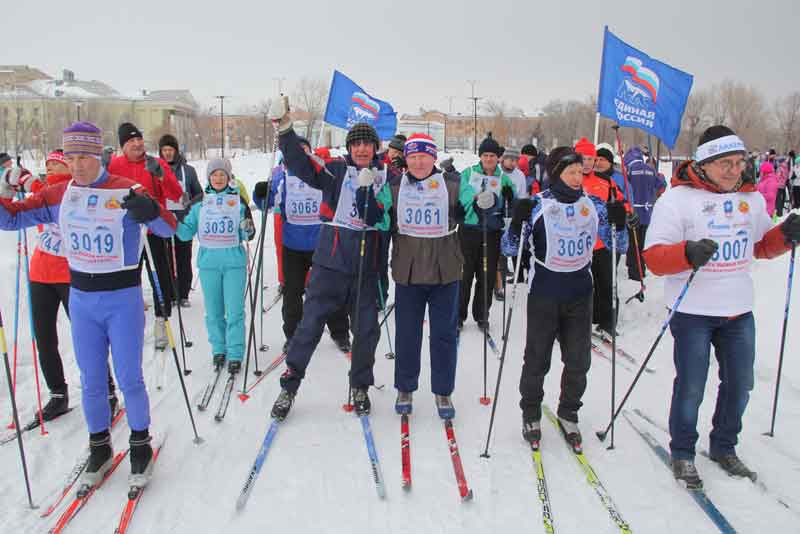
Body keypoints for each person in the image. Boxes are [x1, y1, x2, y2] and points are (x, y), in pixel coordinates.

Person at [0, 122, 176, 488]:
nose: (77, 165)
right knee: (92, 380)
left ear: (99, 156)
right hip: (81, 299)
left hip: (122, 299)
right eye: (71, 157)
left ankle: (140, 443)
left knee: (129, 377)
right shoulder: (60, 194)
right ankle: (99, 445)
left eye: (84, 157)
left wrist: (150, 210)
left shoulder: (128, 189)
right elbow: (12, 218)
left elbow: (169, 229)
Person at [643, 125, 800, 487]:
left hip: (737, 310)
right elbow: (653, 258)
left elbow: (760, 245)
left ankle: (724, 446)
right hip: (693, 311)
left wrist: (786, 236)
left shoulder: (752, 198)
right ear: (703, 163)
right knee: (692, 385)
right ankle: (682, 453)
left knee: (740, 383)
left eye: (739, 162)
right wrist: (686, 253)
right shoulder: (677, 200)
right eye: (724, 163)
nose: (735, 170)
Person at [268, 97, 390, 419]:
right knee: (308, 328)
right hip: (330, 266)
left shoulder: (385, 178)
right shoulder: (335, 171)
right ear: (349, 148)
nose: (362, 149)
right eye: (357, 144)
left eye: (368, 144)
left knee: (366, 332)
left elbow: (382, 218)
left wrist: (370, 198)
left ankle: (360, 385)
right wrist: (285, 130)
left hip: (365, 269)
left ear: (376, 148)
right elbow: (302, 163)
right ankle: (289, 385)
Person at [502, 146, 626, 448]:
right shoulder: (537, 205)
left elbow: (616, 244)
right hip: (545, 291)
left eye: (579, 171)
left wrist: (619, 223)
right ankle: (530, 411)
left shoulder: (593, 204)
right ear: (556, 173)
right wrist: (516, 223)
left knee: (578, 360)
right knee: (536, 359)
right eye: (570, 171)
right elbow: (509, 249)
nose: (577, 176)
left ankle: (569, 412)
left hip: (580, 292)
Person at [1, 150, 120, 422]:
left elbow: (56, 195)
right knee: (43, 338)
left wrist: (32, 183)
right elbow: (10, 214)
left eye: (56, 162)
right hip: (41, 273)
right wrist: (8, 187)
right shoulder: (43, 191)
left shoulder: (77, 188)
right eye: (48, 164)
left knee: (88, 340)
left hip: (72, 274)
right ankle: (57, 393)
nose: (50, 167)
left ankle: (107, 390)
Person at [387, 134, 464, 418]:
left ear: (433, 157)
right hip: (408, 272)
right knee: (408, 333)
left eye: (424, 156)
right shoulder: (395, 186)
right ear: (406, 159)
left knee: (444, 334)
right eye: (413, 156)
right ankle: (405, 387)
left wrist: (480, 205)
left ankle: (443, 391)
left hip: (445, 271)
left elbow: (475, 208)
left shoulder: (452, 184)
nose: (419, 162)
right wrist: (368, 202)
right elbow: (381, 217)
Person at [252, 136, 351, 355]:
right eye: (296, 152)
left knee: (330, 289)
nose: (301, 157)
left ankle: (340, 332)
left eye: (304, 151)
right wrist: (260, 194)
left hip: (322, 241)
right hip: (293, 245)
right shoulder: (280, 175)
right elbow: (267, 204)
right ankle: (293, 335)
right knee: (292, 292)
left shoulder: (322, 171)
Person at [176, 158, 254, 373]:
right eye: (214, 174)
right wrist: (174, 217)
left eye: (222, 174)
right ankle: (219, 349)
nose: (218, 178)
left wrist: (246, 223)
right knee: (213, 312)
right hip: (209, 264)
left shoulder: (237, 203)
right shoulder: (200, 204)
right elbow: (184, 234)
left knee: (235, 311)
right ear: (208, 177)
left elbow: (248, 235)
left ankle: (236, 352)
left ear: (229, 177)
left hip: (234, 264)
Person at [108, 123, 182, 350]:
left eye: (139, 139)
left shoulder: (156, 163)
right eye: (131, 141)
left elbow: (176, 194)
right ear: (123, 146)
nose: (138, 144)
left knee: (161, 275)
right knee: (128, 279)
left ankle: (162, 320)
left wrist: (161, 175)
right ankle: (128, 325)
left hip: (153, 228)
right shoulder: (114, 165)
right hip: (126, 232)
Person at [457, 135, 516, 330]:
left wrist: (509, 199)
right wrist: (474, 199)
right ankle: (458, 315)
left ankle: (482, 315)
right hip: (470, 229)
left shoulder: (503, 178)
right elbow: (462, 194)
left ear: (497, 157)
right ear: (480, 156)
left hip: (491, 231)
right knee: (464, 275)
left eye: (492, 155)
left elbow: (512, 205)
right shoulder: (468, 173)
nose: (489, 159)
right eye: (485, 155)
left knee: (487, 275)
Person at [575, 137, 629, 337]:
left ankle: (607, 323)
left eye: (591, 159)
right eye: (583, 158)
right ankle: (578, 322)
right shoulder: (570, 179)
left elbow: (621, 202)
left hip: (602, 244)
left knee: (606, 284)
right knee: (581, 288)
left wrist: (626, 213)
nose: (588, 163)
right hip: (578, 246)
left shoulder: (605, 181)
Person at [159, 134, 203, 307]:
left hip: (183, 220)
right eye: (164, 150)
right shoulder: (157, 171)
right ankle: (168, 294)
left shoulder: (188, 171)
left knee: (183, 258)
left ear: (176, 151)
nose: (168, 153)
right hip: (163, 220)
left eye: (171, 150)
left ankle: (183, 293)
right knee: (165, 259)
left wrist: (189, 203)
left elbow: (199, 194)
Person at [619, 146, 666, 281]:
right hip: (647, 212)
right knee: (643, 243)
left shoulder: (629, 170)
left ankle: (635, 273)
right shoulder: (651, 169)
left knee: (633, 244)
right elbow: (661, 184)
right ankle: (641, 269)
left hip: (632, 212)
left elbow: (623, 187)